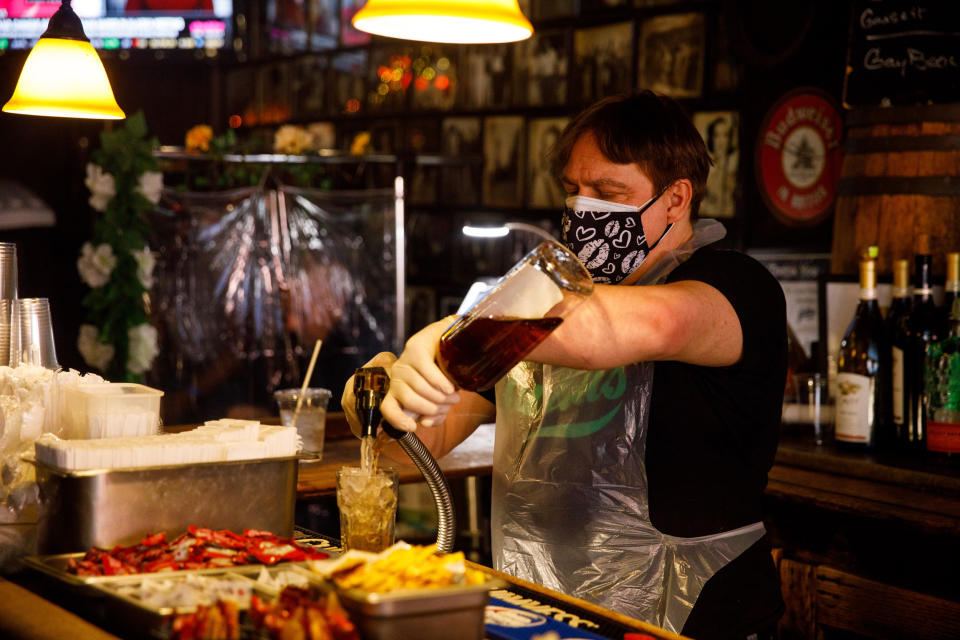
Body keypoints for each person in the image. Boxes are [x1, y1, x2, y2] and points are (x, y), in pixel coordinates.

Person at [342, 91, 786, 640]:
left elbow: (609, 332)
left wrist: (446, 333)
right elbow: (425, 438)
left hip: (693, 614)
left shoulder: (735, 288)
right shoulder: (540, 302)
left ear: (676, 199)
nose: (583, 209)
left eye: (607, 192)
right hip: (537, 612)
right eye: (574, 190)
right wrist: (384, 394)